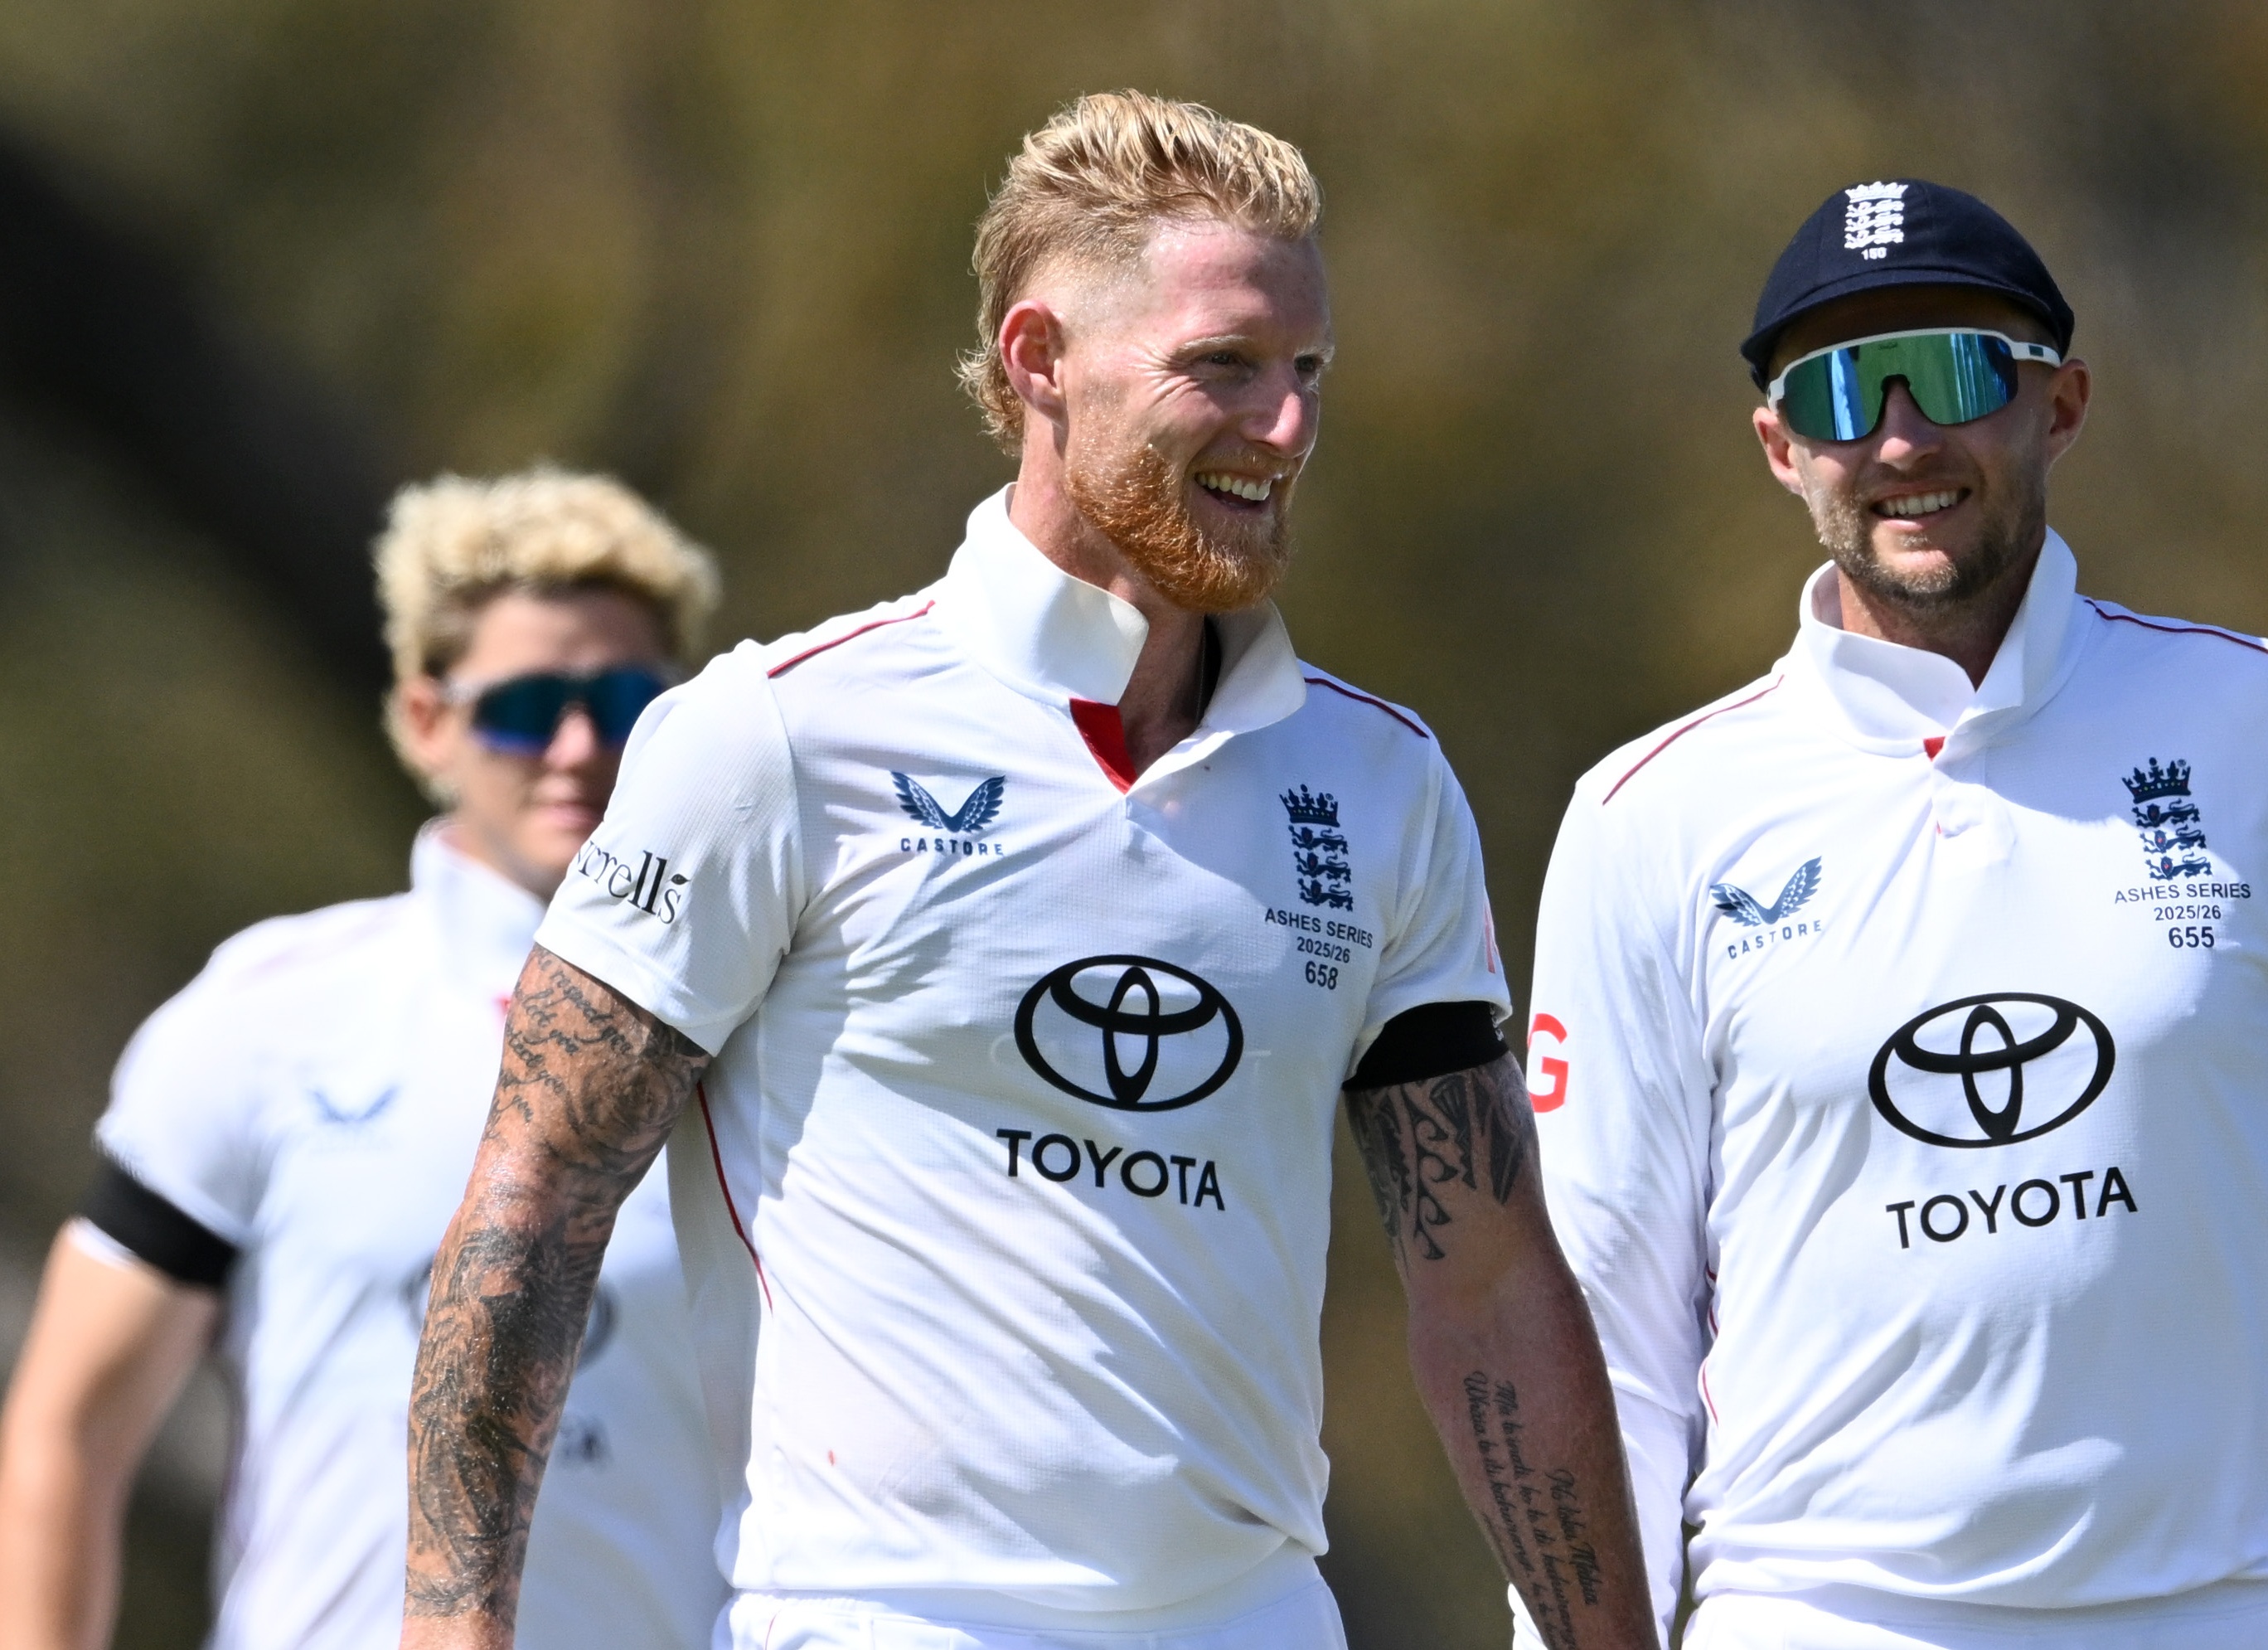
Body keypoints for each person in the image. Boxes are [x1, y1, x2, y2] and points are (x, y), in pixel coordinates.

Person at [392, 92, 1657, 1650]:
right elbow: (534, 1200)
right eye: (1225, 369)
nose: (1289, 430)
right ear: (1038, 358)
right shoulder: (777, 737)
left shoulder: (1380, 782)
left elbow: (1482, 1279)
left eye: (1307, 372)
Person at [1520, 179, 2268, 1650]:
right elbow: (1608, 1340)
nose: (1905, 436)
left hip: (2240, 1611)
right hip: (1830, 1617)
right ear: (1780, 446)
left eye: (1963, 369)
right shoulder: (1644, 817)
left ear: (2063, 402)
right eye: (1846, 389)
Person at [0, 469, 729, 1650]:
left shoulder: (765, 1031)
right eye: (529, 702)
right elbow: (68, 1426)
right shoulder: (268, 1016)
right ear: (427, 719)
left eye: (628, 696)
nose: (581, 744)